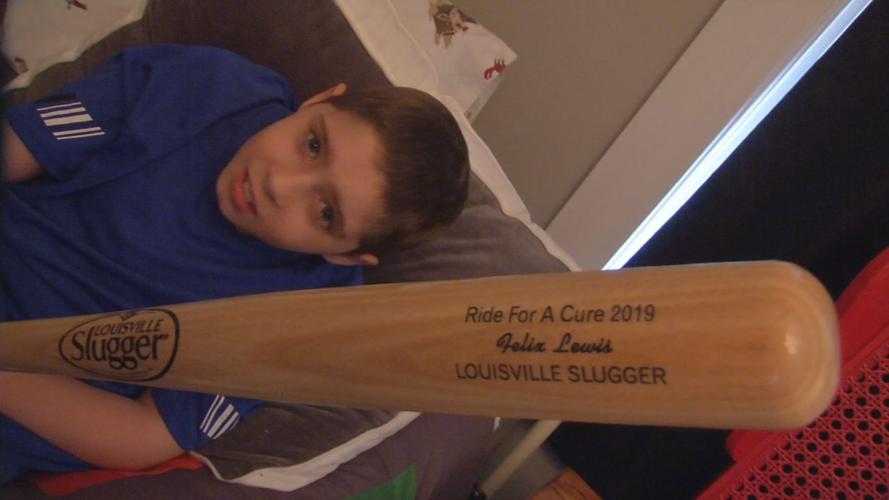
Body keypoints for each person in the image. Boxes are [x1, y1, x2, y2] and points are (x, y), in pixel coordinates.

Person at [0, 44, 469, 483]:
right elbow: (20, 146)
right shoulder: (202, 83)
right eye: (312, 145)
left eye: (326, 212)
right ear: (319, 101)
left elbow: (140, 436)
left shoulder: (299, 314)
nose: (279, 185)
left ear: (344, 254)